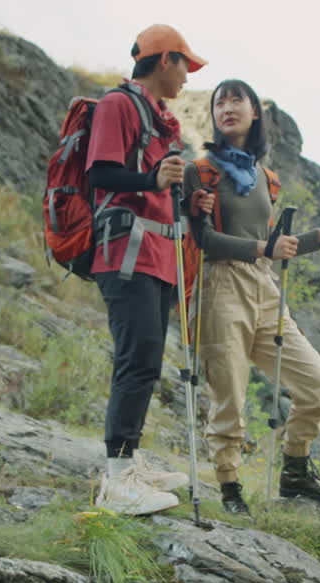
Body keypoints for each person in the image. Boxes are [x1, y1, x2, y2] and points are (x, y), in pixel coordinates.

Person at [184, 79, 320, 515]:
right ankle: (230, 488)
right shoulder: (200, 171)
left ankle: (295, 473)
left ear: (255, 112)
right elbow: (204, 240)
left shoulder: (266, 179)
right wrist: (263, 250)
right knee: (229, 399)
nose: (227, 107)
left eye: (237, 99)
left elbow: (276, 244)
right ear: (215, 116)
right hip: (220, 288)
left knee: (317, 385)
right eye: (220, 102)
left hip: (264, 289)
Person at [86, 24, 207, 515]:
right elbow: (100, 174)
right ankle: (117, 480)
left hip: (158, 257)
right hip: (127, 254)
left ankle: (129, 459)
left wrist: (187, 200)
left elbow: (154, 189)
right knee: (136, 360)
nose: (187, 78)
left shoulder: (161, 120)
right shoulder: (118, 106)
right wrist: (152, 178)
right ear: (164, 60)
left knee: (148, 360)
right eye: (185, 66)